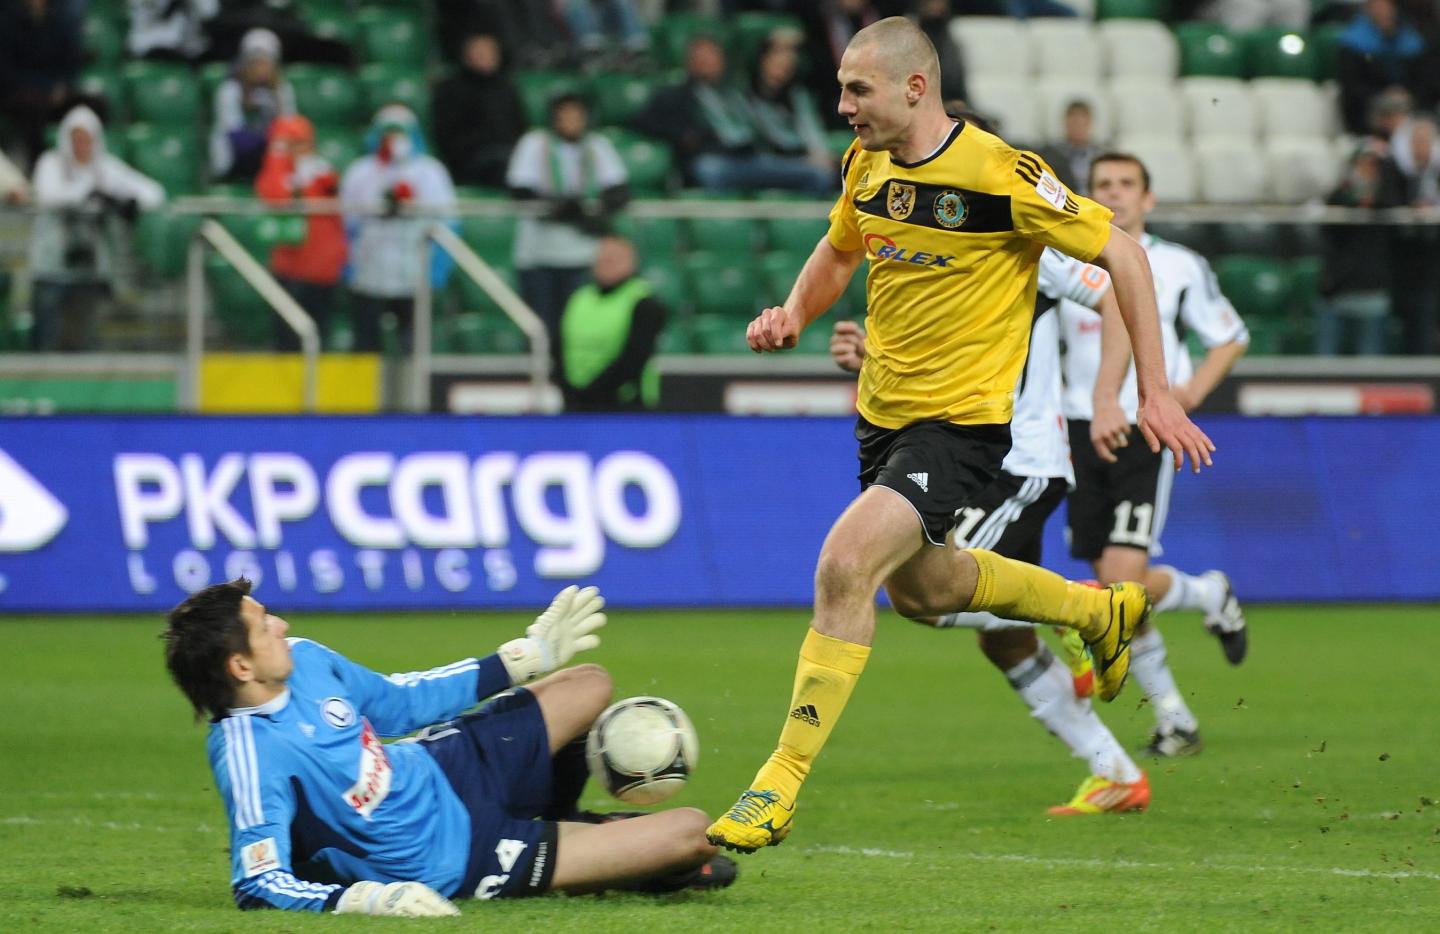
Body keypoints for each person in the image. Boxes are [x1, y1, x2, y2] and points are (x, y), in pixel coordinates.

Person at [703, 17, 1213, 855]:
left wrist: (1150, 391)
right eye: (839, 89)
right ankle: (1098, 610)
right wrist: (795, 312)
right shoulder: (865, 166)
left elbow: (1125, 256)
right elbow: (840, 250)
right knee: (923, 592)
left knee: (844, 565)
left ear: (914, 87)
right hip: (883, 420)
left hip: (961, 429)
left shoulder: (1002, 174)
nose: (841, 106)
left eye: (856, 90)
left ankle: (777, 785)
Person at [162, 579, 737, 914]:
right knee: (693, 832)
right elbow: (258, 882)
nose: (281, 625)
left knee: (591, 684)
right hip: (458, 856)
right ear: (240, 666)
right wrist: (365, 900)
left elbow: (399, 703)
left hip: (446, 763)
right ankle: (590, 854)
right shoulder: (248, 753)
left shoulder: (307, 659)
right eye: (264, 626)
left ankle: (569, 824)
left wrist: (520, 659)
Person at [828, 244, 1152, 816]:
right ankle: (1117, 774)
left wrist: (1106, 397)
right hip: (970, 456)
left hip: (1017, 461)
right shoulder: (918, 239)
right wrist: (871, 358)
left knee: (923, 598)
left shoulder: (1016, 230)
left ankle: (1082, 609)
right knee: (1003, 638)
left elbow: (1117, 296)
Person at [1058, 152, 1250, 758]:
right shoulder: (1065, 259)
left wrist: (1184, 393)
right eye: (1102, 185)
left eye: (1125, 185)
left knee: (1118, 583)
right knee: (1115, 586)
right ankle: (1205, 595)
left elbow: (1230, 336)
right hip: (1077, 431)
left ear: (1149, 198)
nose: (1114, 194)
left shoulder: (1177, 265)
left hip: (1142, 427)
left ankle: (1172, 716)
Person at [28, 105, 165, 352]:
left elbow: (154, 193)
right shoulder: (51, 163)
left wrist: (124, 200)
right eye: (77, 139)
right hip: (51, 267)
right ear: (66, 139)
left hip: (88, 269)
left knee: (81, 343)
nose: (82, 146)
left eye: (87, 140)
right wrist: (87, 192)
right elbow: (47, 194)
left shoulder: (104, 168)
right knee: (45, 342)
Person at [631, 35, 833, 195]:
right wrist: (684, 134)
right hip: (715, 161)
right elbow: (642, 121)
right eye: (702, 58)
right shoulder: (675, 94)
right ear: (690, 62)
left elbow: (765, 131)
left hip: (753, 159)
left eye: (714, 57)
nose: (709, 63)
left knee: (820, 175)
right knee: (710, 171)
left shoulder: (735, 92)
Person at [507, 92, 629, 355]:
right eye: (565, 115)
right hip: (539, 255)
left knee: (577, 328)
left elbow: (619, 191)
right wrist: (565, 209)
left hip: (582, 256)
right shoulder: (535, 143)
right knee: (541, 328)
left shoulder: (596, 145)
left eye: (577, 115)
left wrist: (586, 213)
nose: (571, 121)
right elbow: (521, 191)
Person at [340, 104, 457, 354]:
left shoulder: (431, 171)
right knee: (366, 343)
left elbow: (448, 223)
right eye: (387, 132)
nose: (393, 139)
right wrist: (347, 264)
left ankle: (413, 392)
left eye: (400, 132)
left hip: (414, 272)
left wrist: (438, 269)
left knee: (412, 343)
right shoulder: (360, 171)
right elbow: (344, 222)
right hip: (368, 272)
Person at [254, 114, 346, 351]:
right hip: (290, 268)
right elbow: (274, 197)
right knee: (286, 339)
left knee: (318, 335)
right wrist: (278, 158)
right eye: (289, 143)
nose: (297, 149)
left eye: (300, 142)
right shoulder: (275, 172)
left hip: (322, 269)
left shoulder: (323, 173)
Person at [559, 236, 667, 412]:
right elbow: (559, 346)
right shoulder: (578, 299)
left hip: (627, 404)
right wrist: (571, 390)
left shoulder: (645, 303)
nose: (605, 264)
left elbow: (634, 357)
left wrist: (594, 391)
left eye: (613, 259)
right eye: (601, 259)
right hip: (577, 401)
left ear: (632, 263)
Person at [432, 32, 527, 188]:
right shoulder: (451, 89)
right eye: (480, 53)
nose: (487, 57)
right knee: (508, 164)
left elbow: (521, 127)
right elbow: (447, 136)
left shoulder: (507, 88)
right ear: (467, 56)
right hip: (470, 160)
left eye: (491, 52)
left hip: (508, 153)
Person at [0, 0, 85, 168]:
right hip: (20, 92)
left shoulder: (61, 20)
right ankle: (37, 166)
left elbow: (71, 62)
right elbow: (6, 71)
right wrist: (45, 88)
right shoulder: (8, 21)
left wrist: (63, 86)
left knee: (94, 103)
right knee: (34, 107)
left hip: (54, 91)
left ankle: (88, 167)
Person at [210, 28, 297, 183]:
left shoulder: (283, 89)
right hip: (235, 159)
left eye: (265, 63)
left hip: (271, 158)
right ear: (245, 64)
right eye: (255, 62)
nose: (260, 69)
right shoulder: (230, 89)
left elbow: (290, 129)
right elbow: (236, 137)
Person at [745, 35, 835, 179]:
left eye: (787, 68)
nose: (781, 70)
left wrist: (819, 154)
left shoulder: (798, 96)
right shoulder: (745, 92)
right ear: (763, 61)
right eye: (776, 63)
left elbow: (811, 132)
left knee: (822, 174)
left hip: (792, 161)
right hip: (754, 161)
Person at [1337, 0, 1428, 135]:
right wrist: (1384, 97)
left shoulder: (1412, 41)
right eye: (1376, 6)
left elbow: (1425, 81)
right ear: (1367, 9)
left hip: (1410, 105)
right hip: (1368, 111)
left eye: (1386, 6)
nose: (1382, 11)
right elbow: (1352, 87)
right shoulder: (1353, 44)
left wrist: (1406, 94)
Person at [1038, 100, 1101, 195]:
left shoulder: (1100, 155)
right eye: (1074, 123)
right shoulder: (1051, 155)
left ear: (1089, 124)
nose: (1078, 128)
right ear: (1066, 123)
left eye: (1082, 124)